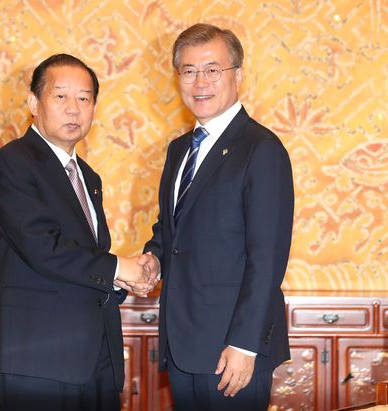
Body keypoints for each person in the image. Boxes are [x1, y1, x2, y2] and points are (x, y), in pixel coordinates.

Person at [0, 53, 151, 411]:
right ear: (33, 103)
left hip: (97, 359)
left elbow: (84, 259)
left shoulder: (88, 177)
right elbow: (44, 248)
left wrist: (120, 280)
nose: (74, 108)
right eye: (60, 96)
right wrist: (119, 266)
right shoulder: (11, 163)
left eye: (84, 98)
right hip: (38, 361)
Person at [141, 23, 295, 410]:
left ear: (238, 75)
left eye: (213, 69)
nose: (200, 82)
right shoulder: (179, 150)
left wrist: (244, 344)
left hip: (231, 349)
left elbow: (267, 258)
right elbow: (172, 229)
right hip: (183, 343)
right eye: (189, 71)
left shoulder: (261, 149)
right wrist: (153, 257)